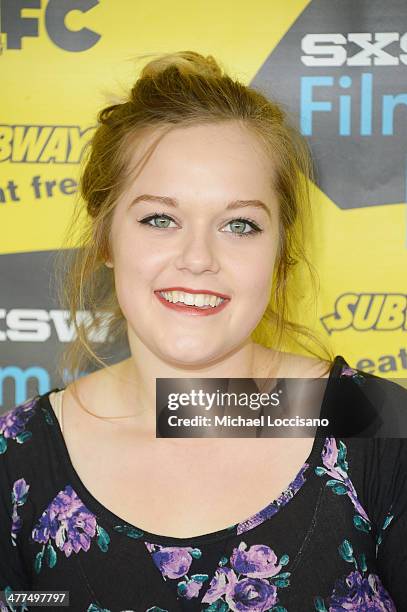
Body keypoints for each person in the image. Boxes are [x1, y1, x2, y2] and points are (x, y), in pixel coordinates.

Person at [1, 51, 406, 612]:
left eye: (239, 224)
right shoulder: (15, 459)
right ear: (104, 238)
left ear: (280, 252)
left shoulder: (373, 426)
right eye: (159, 219)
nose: (198, 258)